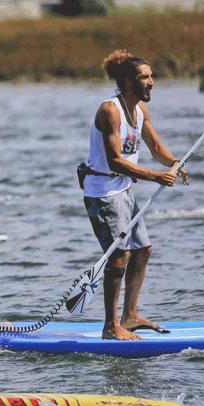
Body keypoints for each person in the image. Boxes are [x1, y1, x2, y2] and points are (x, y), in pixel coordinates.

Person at [82, 49, 188, 341]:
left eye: (151, 76)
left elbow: (155, 149)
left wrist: (174, 164)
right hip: (102, 193)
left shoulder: (141, 110)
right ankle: (110, 326)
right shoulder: (109, 110)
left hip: (125, 191)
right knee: (120, 255)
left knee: (143, 250)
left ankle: (130, 317)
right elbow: (115, 160)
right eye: (145, 77)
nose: (151, 82)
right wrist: (155, 176)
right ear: (128, 81)